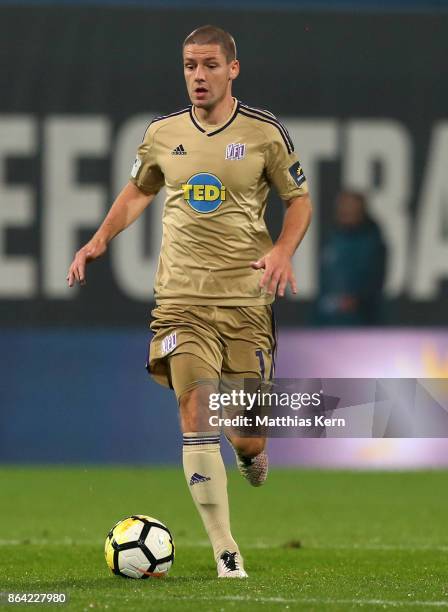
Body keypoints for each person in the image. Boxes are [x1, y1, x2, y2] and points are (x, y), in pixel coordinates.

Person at [67, 25, 312, 578]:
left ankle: (250, 454)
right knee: (195, 406)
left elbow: (299, 201)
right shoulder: (161, 134)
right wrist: (99, 239)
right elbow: (138, 191)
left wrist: (282, 252)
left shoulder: (265, 133)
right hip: (179, 301)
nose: (197, 76)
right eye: (188, 66)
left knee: (246, 432)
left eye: (208, 65)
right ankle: (226, 551)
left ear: (233, 69)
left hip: (246, 303)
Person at [315, 190, 386, 326]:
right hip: (327, 323)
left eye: (351, 208)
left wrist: (357, 301)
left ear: (361, 211)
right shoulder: (331, 239)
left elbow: (375, 281)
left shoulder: (373, 243)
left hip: (363, 322)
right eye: (343, 207)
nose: (345, 212)